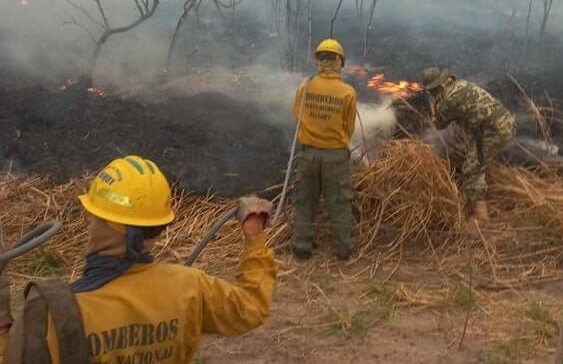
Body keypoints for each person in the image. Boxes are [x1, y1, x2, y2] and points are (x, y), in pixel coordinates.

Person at [0, 155, 276, 364]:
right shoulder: (189, 287)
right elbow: (251, 307)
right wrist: (253, 235)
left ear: (98, 220)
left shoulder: (53, 314)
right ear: (155, 228)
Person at [291, 39, 357, 261]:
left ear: (318, 60)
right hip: (335, 157)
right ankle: (343, 248)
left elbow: (297, 115)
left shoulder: (305, 85)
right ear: (340, 62)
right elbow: (349, 127)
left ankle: (302, 246)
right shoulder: (347, 92)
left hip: (308, 155)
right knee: (339, 202)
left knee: (305, 200)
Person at [422, 68, 516, 223]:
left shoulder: (448, 100)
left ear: (438, 87)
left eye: (432, 91)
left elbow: (439, 125)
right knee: (459, 155)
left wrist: (433, 107)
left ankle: (480, 217)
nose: (432, 94)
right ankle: (468, 198)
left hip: (492, 131)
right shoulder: (461, 84)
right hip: (504, 123)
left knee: (472, 168)